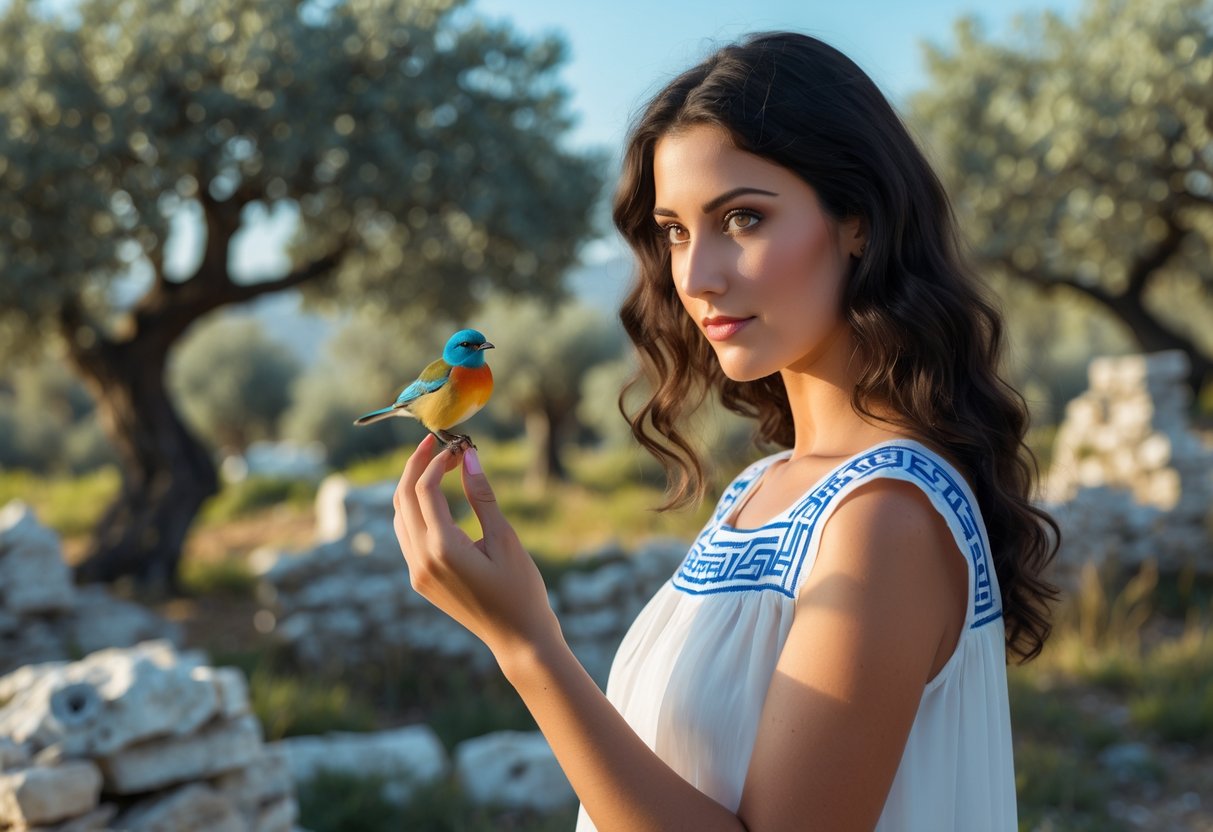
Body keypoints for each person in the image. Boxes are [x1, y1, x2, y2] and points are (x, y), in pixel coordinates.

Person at [392, 31, 1059, 832]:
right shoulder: (763, 488)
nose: (696, 276)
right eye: (674, 230)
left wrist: (527, 646)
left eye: (741, 218)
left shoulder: (883, 516)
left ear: (857, 220)